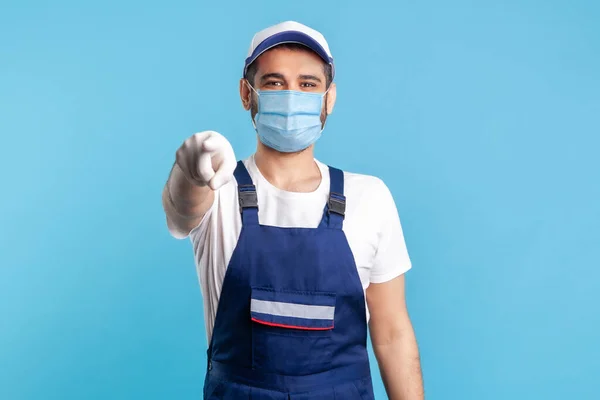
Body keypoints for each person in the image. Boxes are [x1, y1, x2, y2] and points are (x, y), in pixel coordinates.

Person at [162, 20, 424, 400]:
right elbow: (179, 211)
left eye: (307, 84)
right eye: (273, 82)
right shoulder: (217, 190)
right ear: (245, 93)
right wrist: (188, 170)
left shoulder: (369, 198)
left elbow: (392, 332)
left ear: (328, 98)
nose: (291, 96)